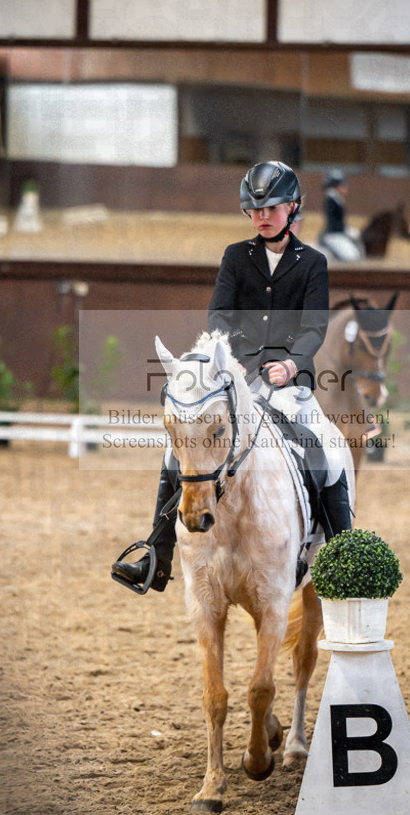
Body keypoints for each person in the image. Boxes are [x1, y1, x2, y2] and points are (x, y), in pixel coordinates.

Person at [111, 160, 352, 595]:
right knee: (176, 453)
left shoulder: (313, 262)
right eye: (255, 209)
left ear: (292, 207)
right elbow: (219, 314)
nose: (262, 216)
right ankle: (155, 556)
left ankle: (342, 557)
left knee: (328, 452)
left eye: (272, 208)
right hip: (236, 376)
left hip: (290, 382)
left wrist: (292, 364)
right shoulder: (236, 257)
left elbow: (315, 326)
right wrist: (234, 359)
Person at [318, 170, 363, 262]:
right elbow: (333, 222)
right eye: (344, 185)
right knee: (351, 257)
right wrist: (345, 230)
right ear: (338, 186)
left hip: (337, 233)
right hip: (334, 235)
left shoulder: (336, 199)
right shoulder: (332, 199)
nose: (346, 188)